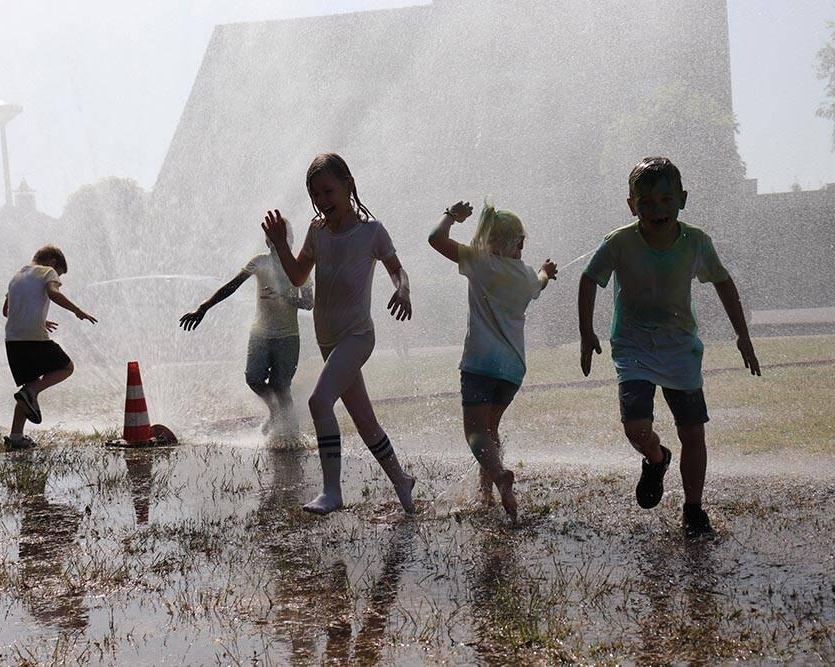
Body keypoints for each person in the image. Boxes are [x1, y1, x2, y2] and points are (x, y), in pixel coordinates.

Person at [577, 157, 761, 537]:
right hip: (633, 347)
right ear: (632, 205)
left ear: (682, 199)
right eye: (646, 202)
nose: (657, 209)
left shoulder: (696, 242)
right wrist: (586, 332)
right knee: (636, 428)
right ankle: (657, 458)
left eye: (666, 199)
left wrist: (742, 334)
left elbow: (724, 284)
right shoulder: (619, 243)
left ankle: (694, 508)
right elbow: (588, 279)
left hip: (680, 350)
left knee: (693, 432)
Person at [262, 152, 416, 515]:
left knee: (319, 402)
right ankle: (401, 480)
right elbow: (299, 276)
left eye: (328, 191)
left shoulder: (371, 233)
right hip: (329, 341)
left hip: (357, 336)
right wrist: (281, 244)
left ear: (348, 185)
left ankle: (333, 491)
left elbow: (398, 270)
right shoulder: (317, 232)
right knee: (365, 422)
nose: (322, 201)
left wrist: (403, 290)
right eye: (316, 195)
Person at [428, 199, 557, 522]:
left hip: (480, 364)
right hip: (512, 371)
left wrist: (450, 216)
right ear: (521, 243)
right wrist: (546, 271)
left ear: (487, 240)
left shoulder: (480, 262)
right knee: (490, 429)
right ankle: (486, 494)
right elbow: (539, 282)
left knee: (475, 432)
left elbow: (435, 239)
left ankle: (499, 475)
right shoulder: (525, 275)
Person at [180, 234, 314, 442]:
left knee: (281, 386)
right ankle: (275, 412)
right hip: (260, 333)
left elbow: (309, 303)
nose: (274, 244)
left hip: (287, 336)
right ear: (268, 243)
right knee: (253, 378)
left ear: (290, 241)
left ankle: (292, 435)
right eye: (271, 239)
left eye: (279, 238)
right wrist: (203, 307)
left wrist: (284, 297)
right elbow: (232, 286)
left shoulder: (299, 267)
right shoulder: (260, 262)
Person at [2, 245, 97, 449]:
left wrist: (37, 319)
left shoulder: (16, 276)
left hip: (12, 340)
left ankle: (16, 438)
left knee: (27, 389)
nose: (58, 278)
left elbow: (6, 310)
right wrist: (77, 311)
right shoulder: (48, 271)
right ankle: (31, 392)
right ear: (53, 262)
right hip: (34, 338)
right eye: (60, 274)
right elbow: (53, 293)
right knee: (66, 367)